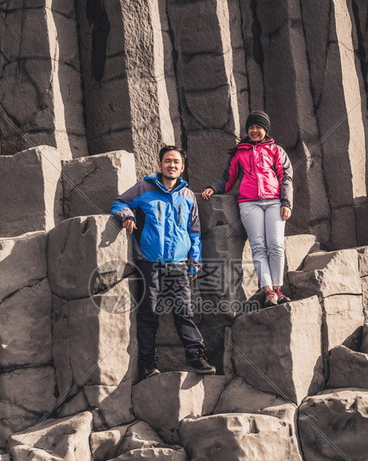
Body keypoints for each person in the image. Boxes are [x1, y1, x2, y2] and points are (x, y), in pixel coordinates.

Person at [111, 145, 216, 379]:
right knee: (149, 313)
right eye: (168, 161)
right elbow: (119, 203)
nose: (172, 165)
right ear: (160, 165)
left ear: (182, 167)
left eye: (176, 162)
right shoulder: (144, 188)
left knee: (184, 312)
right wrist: (127, 217)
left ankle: (195, 357)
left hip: (179, 264)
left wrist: (194, 262)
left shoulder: (188, 196)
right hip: (149, 261)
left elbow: (195, 232)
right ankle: (149, 364)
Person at [202, 111, 293, 307]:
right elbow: (228, 179)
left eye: (258, 127)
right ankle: (268, 291)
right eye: (251, 127)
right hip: (249, 203)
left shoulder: (276, 150)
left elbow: (286, 177)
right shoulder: (239, 153)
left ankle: (278, 288)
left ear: (265, 130)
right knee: (258, 246)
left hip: (274, 201)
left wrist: (286, 203)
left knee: (276, 245)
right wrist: (213, 187)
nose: (254, 130)